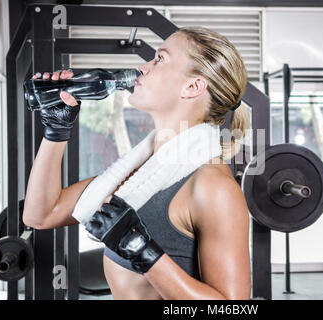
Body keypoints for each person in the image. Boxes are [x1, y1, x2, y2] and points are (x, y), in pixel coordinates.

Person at [23, 26, 251, 300]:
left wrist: (143, 251)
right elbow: (40, 215)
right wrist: (56, 131)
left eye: (160, 59)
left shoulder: (212, 185)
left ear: (193, 87)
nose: (143, 67)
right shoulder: (140, 171)